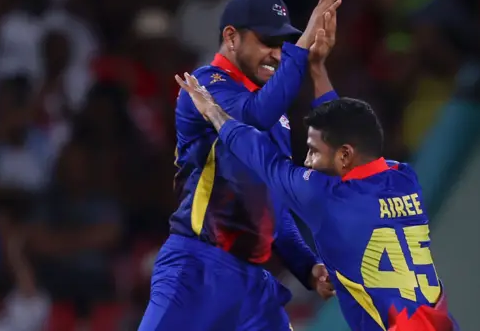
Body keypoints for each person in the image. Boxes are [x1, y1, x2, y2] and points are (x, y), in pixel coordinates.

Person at [175, 73, 458, 331]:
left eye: (313, 152)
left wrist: (213, 111)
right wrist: (319, 69)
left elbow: (261, 155)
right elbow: (342, 132)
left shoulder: (324, 197)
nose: (308, 162)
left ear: (345, 155)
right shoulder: (404, 178)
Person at [139, 0, 347, 331]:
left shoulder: (273, 111)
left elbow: (272, 205)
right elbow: (251, 118)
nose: (278, 54)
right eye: (267, 41)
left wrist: (308, 269)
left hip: (253, 284)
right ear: (232, 37)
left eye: (283, 45)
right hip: (199, 267)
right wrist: (305, 43)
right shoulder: (205, 85)